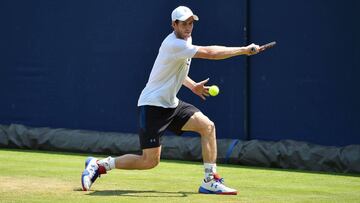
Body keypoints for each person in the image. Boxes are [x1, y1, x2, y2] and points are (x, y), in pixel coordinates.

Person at [81, 6, 260, 195]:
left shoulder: (185, 40)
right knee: (149, 161)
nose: (188, 27)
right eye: (184, 23)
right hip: (153, 106)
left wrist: (192, 86)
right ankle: (100, 165)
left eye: (191, 23)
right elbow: (210, 53)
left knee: (207, 126)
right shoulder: (174, 44)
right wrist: (243, 50)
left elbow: (176, 71)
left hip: (171, 104)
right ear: (174, 24)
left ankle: (209, 180)